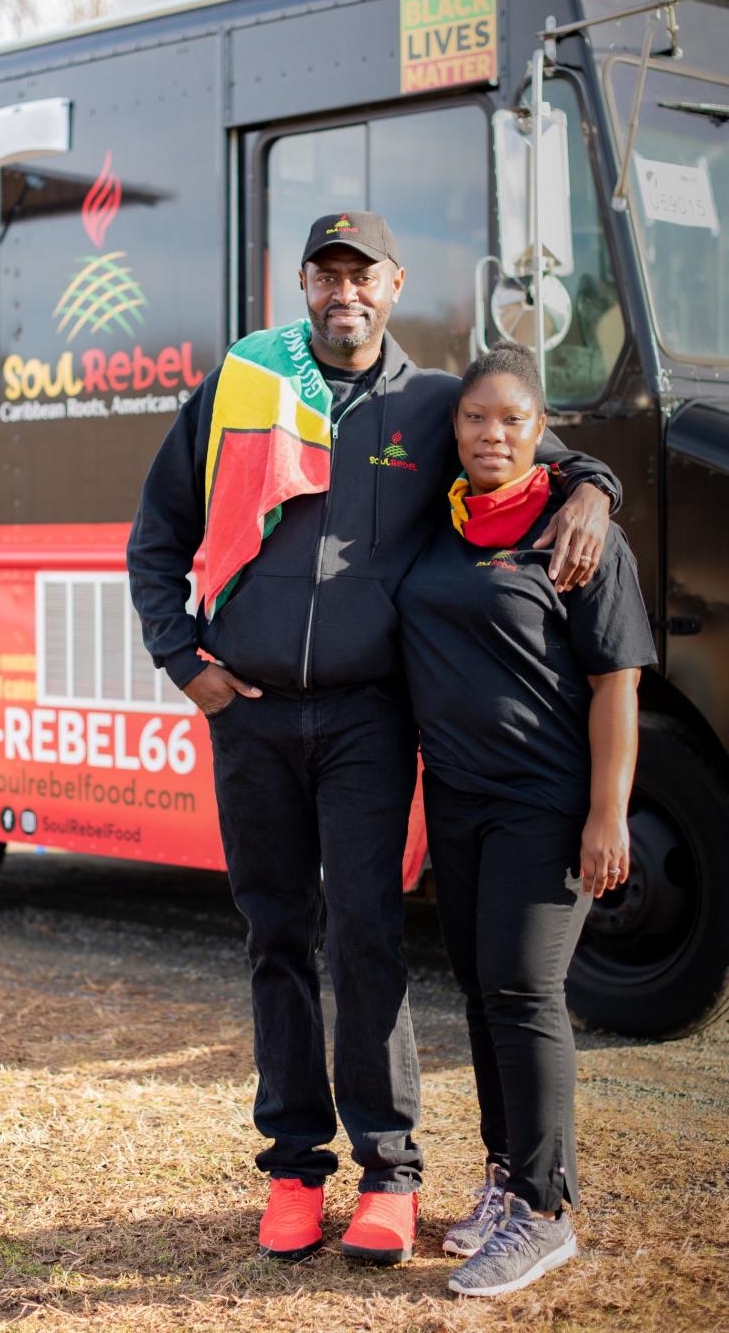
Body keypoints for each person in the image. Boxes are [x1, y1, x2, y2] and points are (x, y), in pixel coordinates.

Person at [127, 212, 621, 1264]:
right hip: (250, 714)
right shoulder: (245, 387)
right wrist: (186, 663)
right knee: (276, 936)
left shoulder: (435, 404)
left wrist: (597, 488)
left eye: (364, 275)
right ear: (303, 285)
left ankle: (389, 1173)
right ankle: (296, 1168)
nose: (344, 291)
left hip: (366, 717)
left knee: (367, 937)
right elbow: (156, 535)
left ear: (394, 287)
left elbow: (534, 444)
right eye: (326, 273)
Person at [396, 341, 656, 1297]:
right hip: (459, 798)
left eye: (512, 419)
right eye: (474, 418)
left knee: (524, 991)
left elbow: (616, 682)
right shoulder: (442, 518)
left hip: (545, 802)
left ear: (541, 430)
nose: (491, 434)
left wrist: (607, 815)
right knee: (479, 987)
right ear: (453, 430)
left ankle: (547, 1214)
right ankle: (507, 1178)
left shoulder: (577, 531)